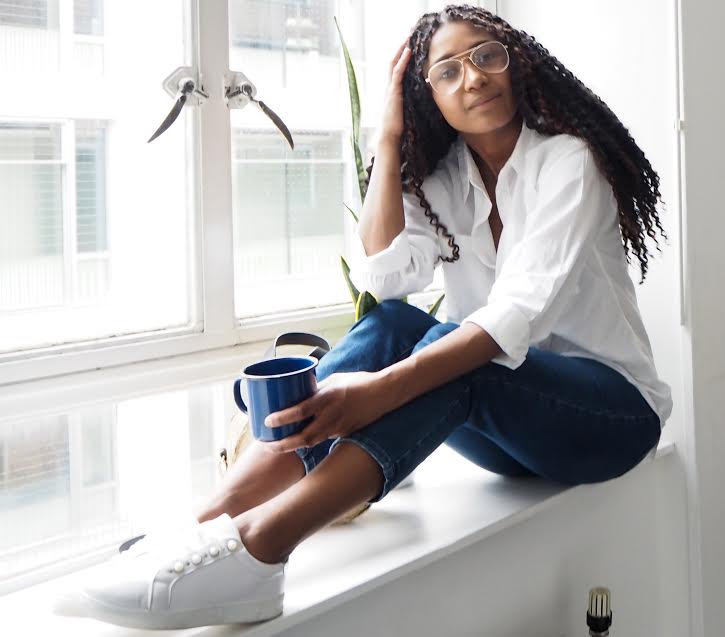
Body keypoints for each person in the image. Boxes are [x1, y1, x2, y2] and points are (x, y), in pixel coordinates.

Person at [54, 4, 672, 629]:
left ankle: (260, 551)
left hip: (609, 418)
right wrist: (386, 138)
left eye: (487, 56)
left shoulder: (568, 161)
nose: (474, 78)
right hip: (510, 433)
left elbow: (509, 321)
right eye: (448, 71)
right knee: (395, 328)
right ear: (428, 96)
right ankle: (199, 529)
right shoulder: (446, 179)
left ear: (518, 64)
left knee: (463, 358)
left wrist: (375, 394)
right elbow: (386, 275)